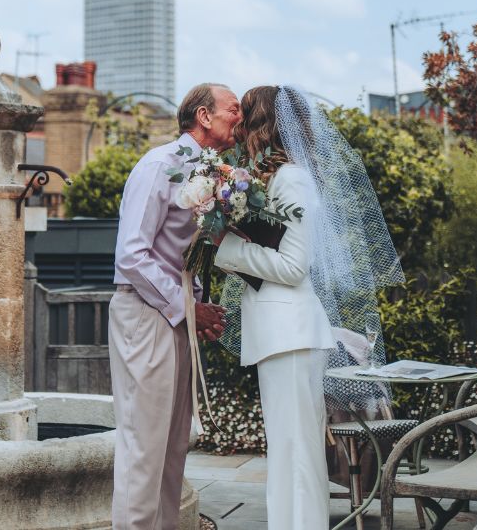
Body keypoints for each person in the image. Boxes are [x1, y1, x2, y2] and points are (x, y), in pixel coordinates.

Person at [213, 84, 403, 530]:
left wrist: (226, 249)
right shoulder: (276, 178)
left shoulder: (290, 178)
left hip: (291, 333)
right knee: (288, 452)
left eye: (245, 117)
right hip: (282, 334)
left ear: (263, 123)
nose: (237, 126)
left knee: (296, 455)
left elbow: (294, 267)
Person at [110, 82, 236, 530]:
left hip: (175, 314)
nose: (239, 118)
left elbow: (186, 256)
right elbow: (132, 255)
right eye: (233, 110)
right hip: (145, 313)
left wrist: (197, 304)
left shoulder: (215, 173)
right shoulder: (159, 165)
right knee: (144, 443)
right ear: (204, 116)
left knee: (173, 443)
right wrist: (187, 308)